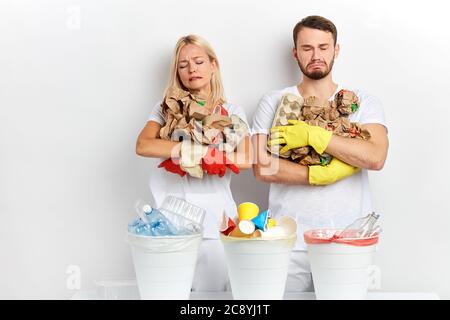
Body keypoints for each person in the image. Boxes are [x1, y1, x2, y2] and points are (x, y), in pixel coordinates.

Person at [251, 15, 389, 291]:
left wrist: (316, 136)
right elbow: (262, 167)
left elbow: (375, 157)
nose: (316, 55)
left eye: (324, 47)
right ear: (295, 53)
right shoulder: (273, 101)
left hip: (349, 240)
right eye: (307, 48)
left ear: (336, 50)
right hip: (288, 240)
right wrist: (320, 174)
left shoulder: (362, 102)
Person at [136, 35, 252, 291]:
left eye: (199, 61)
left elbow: (246, 158)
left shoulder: (231, 113)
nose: (192, 69)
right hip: (169, 226)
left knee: (211, 297)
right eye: (183, 65)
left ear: (213, 65)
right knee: (167, 294)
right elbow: (144, 145)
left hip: (214, 222)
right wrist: (189, 150)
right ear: (177, 72)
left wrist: (213, 157)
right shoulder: (165, 109)